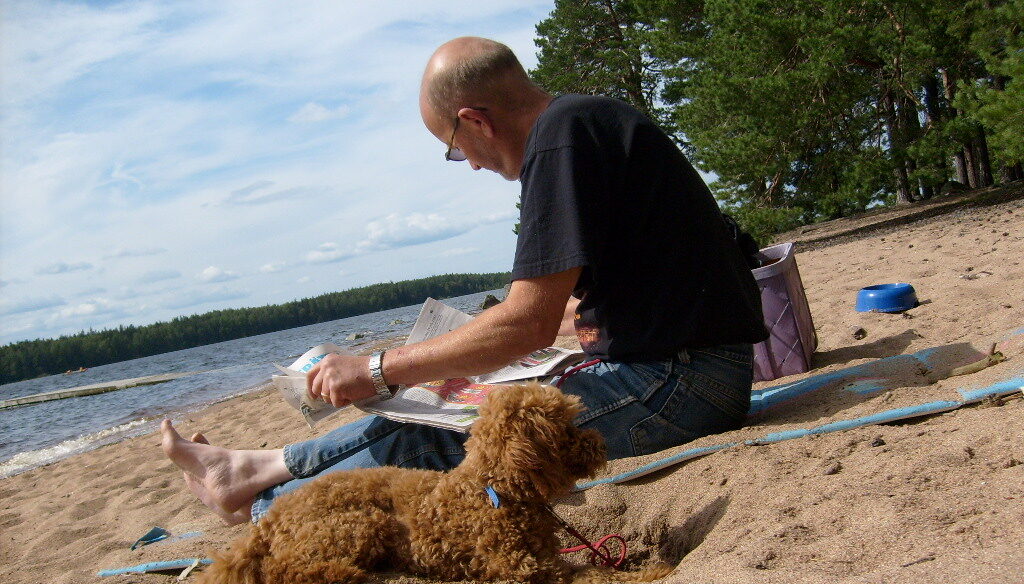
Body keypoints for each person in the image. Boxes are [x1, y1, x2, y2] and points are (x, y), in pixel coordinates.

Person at [161, 36, 768, 526]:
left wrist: (374, 369)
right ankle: (258, 472)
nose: (472, 164)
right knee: (434, 412)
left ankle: (267, 501)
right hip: (686, 367)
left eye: (456, 149)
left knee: (444, 442)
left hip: (681, 383)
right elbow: (573, 302)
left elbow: (525, 322)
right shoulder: (585, 124)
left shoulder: (560, 142)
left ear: (475, 120)